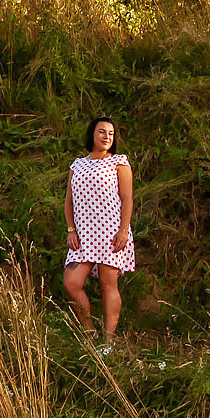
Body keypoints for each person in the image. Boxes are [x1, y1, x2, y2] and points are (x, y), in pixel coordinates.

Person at [63, 115, 134, 353]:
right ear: (92, 134)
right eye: (102, 132)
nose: (106, 137)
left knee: (108, 284)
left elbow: (127, 199)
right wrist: (71, 230)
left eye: (111, 134)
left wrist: (123, 230)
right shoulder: (77, 165)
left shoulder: (119, 163)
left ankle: (108, 341)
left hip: (110, 231)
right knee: (71, 283)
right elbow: (69, 203)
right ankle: (89, 332)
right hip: (82, 235)